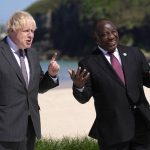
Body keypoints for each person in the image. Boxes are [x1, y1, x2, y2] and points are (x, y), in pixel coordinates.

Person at [68, 18, 150, 150]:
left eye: (113, 32)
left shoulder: (134, 53)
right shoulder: (88, 63)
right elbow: (83, 98)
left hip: (143, 127)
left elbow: (147, 80)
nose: (111, 37)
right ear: (96, 38)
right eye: (105, 34)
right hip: (113, 132)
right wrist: (79, 86)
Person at [0, 11, 60, 150]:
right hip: (4, 129)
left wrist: (51, 74)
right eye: (26, 31)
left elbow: (39, 87)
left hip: (30, 128)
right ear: (13, 30)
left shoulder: (32, 54)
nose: (31, 35)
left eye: (32, 31)